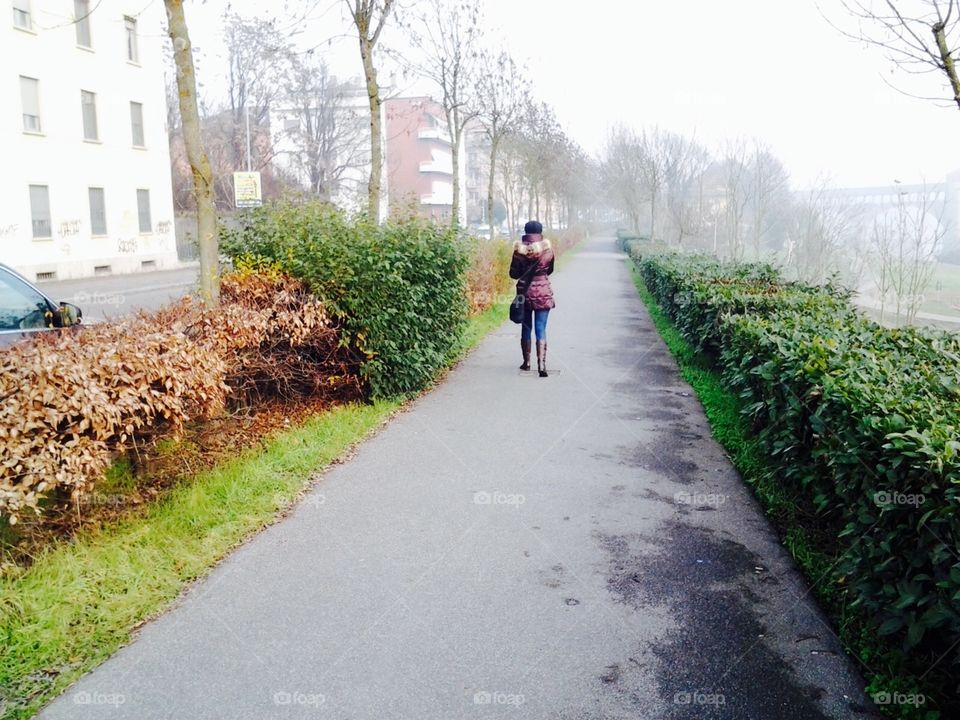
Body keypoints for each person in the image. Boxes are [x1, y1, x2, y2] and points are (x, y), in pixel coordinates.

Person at [509, 220, 555, 377]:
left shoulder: (519, 251)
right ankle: (542, 365)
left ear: (525, 232)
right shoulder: (548, 250)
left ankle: (527, 363)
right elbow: (550, 270)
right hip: (543, 291)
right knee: (541, 328)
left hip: (525, 293)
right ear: (540, 232)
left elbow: (513, 274)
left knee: (526, 327)